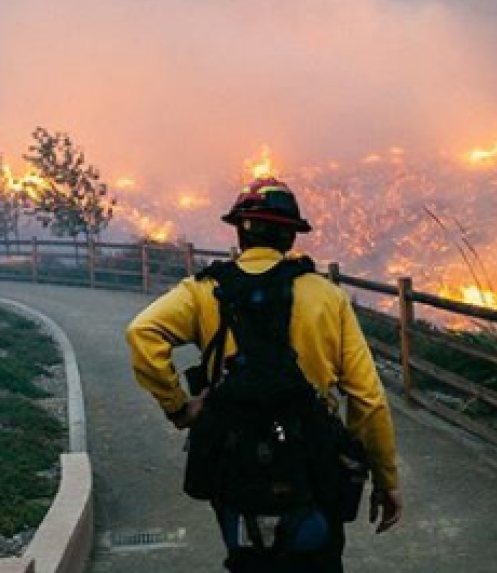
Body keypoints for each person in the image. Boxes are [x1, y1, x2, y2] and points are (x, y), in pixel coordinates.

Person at [126, 176, 402, 572]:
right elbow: (368, 399)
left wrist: (178, 407)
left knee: (246, 557)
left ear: (240, 232)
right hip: (312, 458)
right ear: (290, 237)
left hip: (233, 458)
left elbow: (142, 332)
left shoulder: (204, 290)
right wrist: (385, 480)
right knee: (319, 557)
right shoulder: (328, 297)